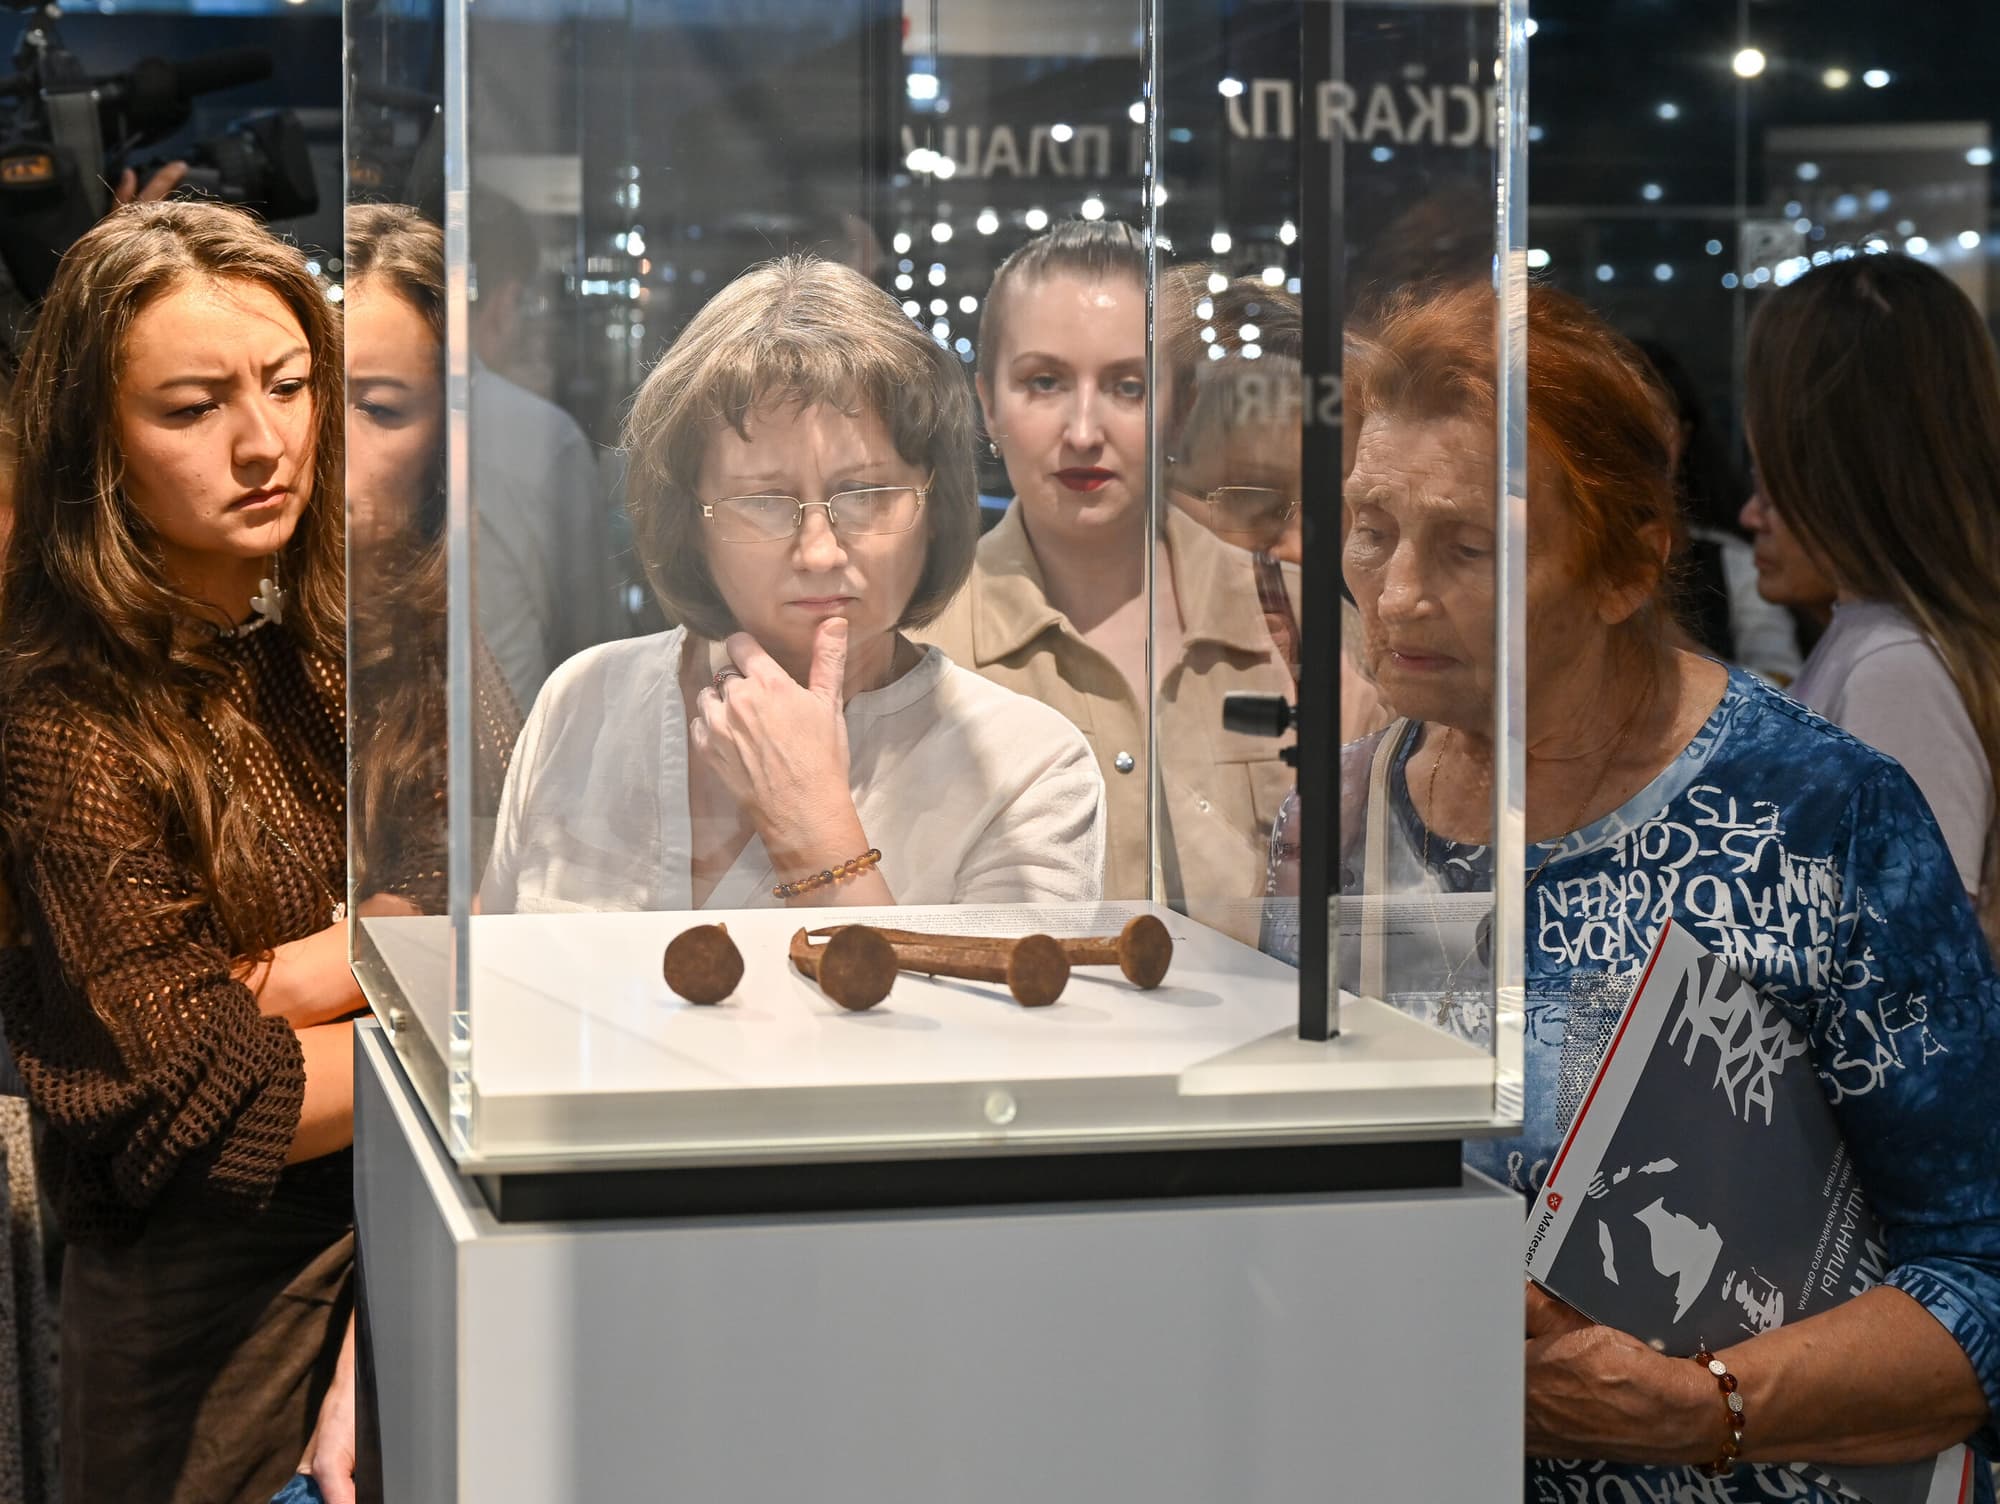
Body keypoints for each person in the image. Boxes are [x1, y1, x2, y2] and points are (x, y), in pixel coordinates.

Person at [1339, 281, 1998, 1500]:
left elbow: (1980, 1270)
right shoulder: (1332, 823)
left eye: (1469, 547)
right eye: (1370, 529)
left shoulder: (1815, 814)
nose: (1396, 596)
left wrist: (1707, 1406)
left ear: (1626, 566)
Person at [0, 202, 359, 1502]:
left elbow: (507, 892)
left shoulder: (350, 639)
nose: (264, 443)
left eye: (289, 385)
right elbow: (207, 1103)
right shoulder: (64, 722)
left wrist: (309, 977)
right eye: (193, 408)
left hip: (408, 1239)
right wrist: (412, 971)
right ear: (99, 444)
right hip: (207, 1320)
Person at [482, 255, 1104, 913]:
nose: (819, 552)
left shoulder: (1029, 769)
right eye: (763, 501)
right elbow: (491, 965)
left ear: (935, 507)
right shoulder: (585, 702)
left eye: (866, 494)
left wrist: (812, 830)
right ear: (689, 520)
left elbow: (1004, 990)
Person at [917, 223, 1299, 940]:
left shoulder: (1299, 625)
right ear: (988, 405)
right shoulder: (919, 651)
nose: (1085, 432)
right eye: (1044, 382)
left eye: (1128, 386)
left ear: (1179, 406)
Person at [1743, 252, 2000, 951]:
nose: (1752, 513)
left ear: (1834, 466)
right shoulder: (1875, 642)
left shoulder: (1897, 666)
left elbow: (1909, 970)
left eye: (1772, 477)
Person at [1630, 338, 1802, 685]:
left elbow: (1788, 689)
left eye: (1655, 424)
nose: (1634, 447)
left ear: (1684, 436)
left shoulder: (1731, 562)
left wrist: (1679, 646)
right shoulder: (1555, 556)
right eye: (1617, 426)